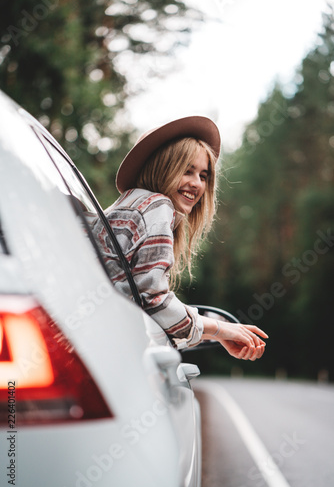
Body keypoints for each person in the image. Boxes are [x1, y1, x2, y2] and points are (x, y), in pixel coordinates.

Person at [94, 116, 267, 361]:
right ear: (163, 168)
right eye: (187, 171)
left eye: (203, 176)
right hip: (106, 354)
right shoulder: (157, 205)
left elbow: (142, 299)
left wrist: (214, 334)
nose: (196, 184)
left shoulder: (127, 204)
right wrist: (221, 329)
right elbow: (154, 300)